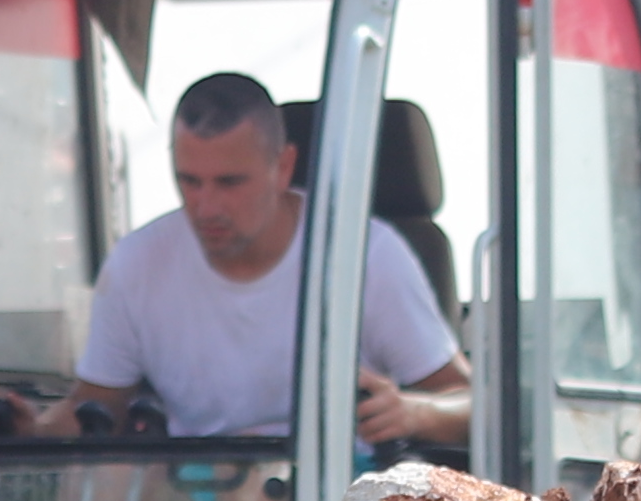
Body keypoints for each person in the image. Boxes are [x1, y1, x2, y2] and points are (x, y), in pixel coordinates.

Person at [61, 71, 473, 457]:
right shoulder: (136, 263)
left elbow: (472, 405)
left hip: (336, 495)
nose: (206, 207)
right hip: (188, 483)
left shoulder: (367, 256)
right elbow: (96, 410)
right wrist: (29, 425)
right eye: (189, 181)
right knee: (105, 481)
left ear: (283, 168)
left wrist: (414, 413)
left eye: (229, 183)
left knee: (251, 497)